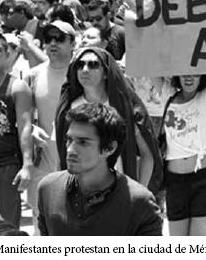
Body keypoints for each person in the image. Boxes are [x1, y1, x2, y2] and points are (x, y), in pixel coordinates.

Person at [37, 102, 162, 235]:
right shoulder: (48, 189)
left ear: (109, 148)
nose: (70, 149)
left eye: (83, 142)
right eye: (69, 140)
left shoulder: (139, 203)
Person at [54, 47, 163, 192]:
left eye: (93, 65)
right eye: (80, 65)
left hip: (118, 192)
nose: (85, 70)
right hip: (80, 193)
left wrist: (139, 192)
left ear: (106, 73)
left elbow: (147, 153)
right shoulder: (69, 108)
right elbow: (60, 154)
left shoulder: (124, 107)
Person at [159, 72, 206, 236]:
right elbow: (149, 64)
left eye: (195, 74)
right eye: (184, 73)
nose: (189, 78)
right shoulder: (168, 95)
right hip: (175, 183)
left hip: (205, 181)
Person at [24, 21, 76, 233]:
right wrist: (32, 129)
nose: (53, 43)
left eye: (60, 38)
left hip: (77, 162)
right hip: (44, 162)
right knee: (42, 224)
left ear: (73, 43)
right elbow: (23, 116)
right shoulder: (33, 75)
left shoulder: (83, 72)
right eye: (48, 39)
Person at [0, 31, 33, 232]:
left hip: (6, 164)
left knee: (5, 227)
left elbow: (25, 127)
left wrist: (27, 164)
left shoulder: (17, 87)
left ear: (8, 54)